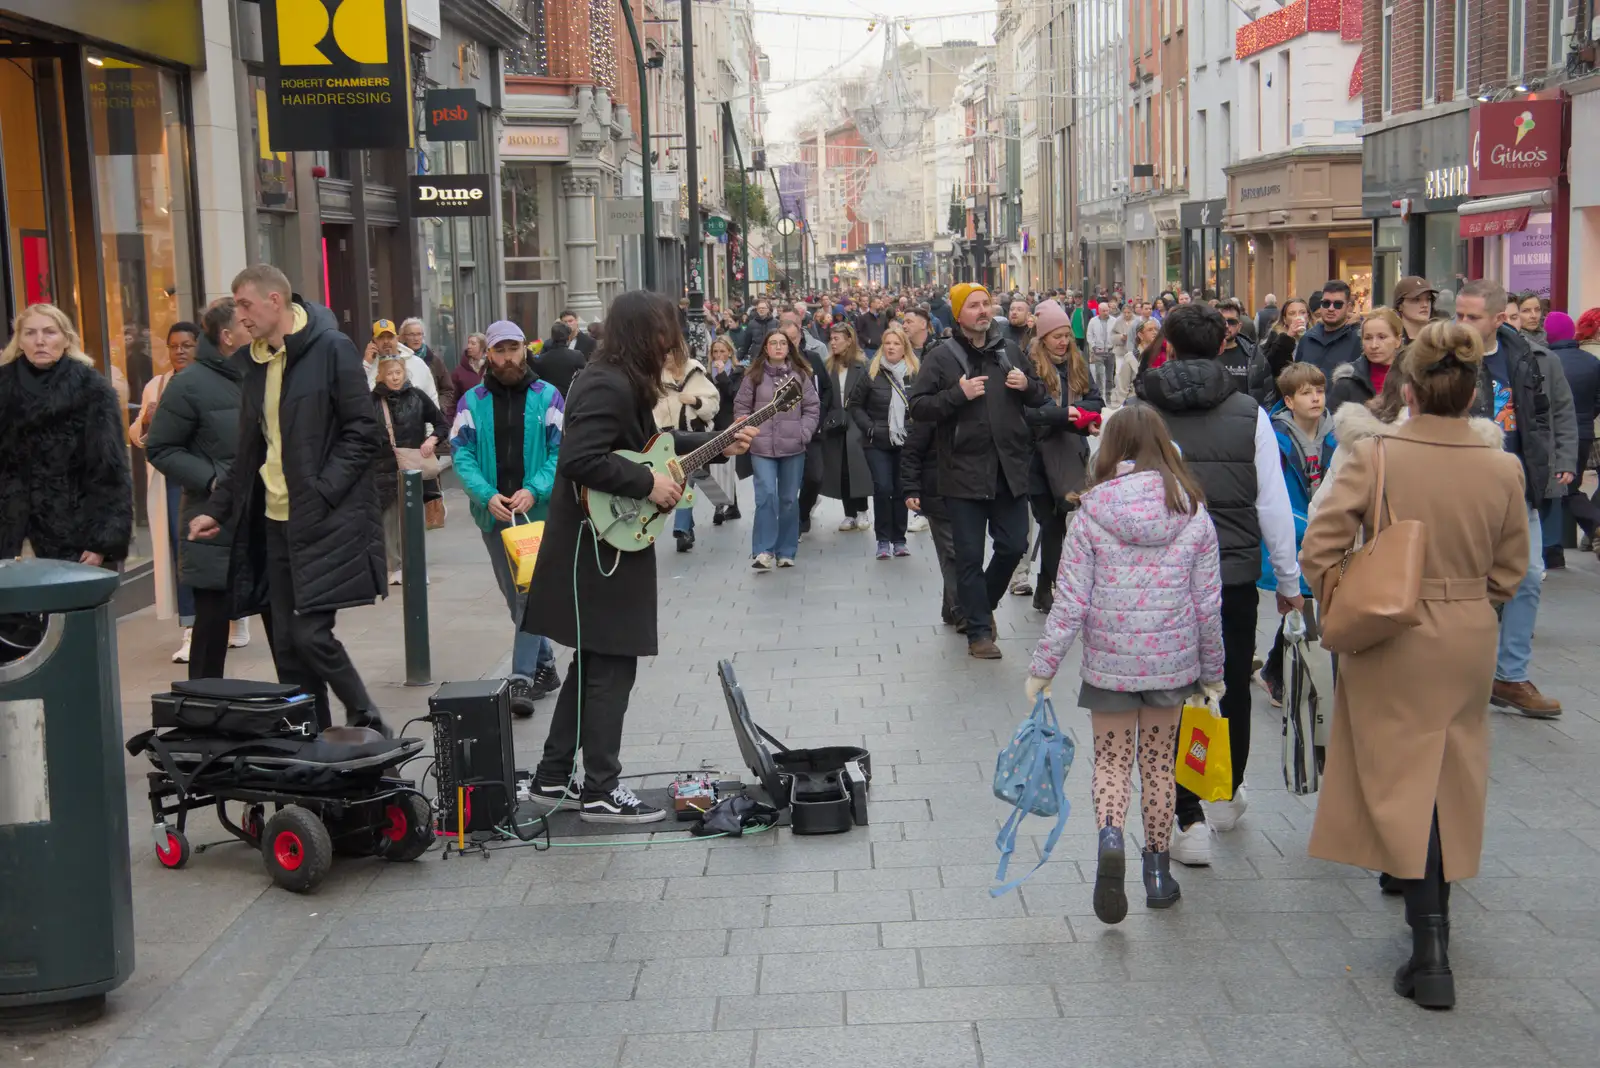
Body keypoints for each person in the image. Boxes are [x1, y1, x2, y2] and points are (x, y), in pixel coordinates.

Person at [1301, 320, 1530, 1011]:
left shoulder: (1375, 455)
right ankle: (1435, 929)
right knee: (1450, 776)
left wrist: (1349, 598)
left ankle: (1428, 945)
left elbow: (1321, 546)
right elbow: (1511, 566)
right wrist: (1468, 599)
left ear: (1407, 387)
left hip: (1392, 631)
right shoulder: (1502, 466)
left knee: (1402, 774)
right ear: (1472, 394)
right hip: (1466, 632)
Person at [1025, 404, 1224, 924]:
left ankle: (1110, 837)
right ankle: (1157, 872)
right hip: (1172, 664)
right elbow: (1207, 603)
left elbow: (1069, 601)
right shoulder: (1193, 510)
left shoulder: (1091, 511)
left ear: (1108, 449)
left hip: (1110, 665)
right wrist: (1213, 671)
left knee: (1112, 763)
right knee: (1158, 766)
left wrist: (1043, 667)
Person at [1134, 302, 1301, 865]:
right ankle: (1222, 791)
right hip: (1230, 571)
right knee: (1228, 682)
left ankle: (1189, 819)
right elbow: (1272, 502)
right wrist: (1287, 577)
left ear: (1170, 348)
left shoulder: (1142, 408)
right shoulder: (1249, 411)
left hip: (1163, 573)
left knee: (1175, 690)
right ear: (1223, 345)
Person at [191, 265, 390, 736]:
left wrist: (322, 492)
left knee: (310, 634)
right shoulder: (256, 362)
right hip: (274, 522)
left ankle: (365, 714)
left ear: (275, 301)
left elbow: (364, 433)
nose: (239, 317)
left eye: (245, 305)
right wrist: (216, 511)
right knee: (286, 647)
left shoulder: (331, 349)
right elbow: (249, 450)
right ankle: (313, 738)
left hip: (325, 518)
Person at [909, 283, 1049, 659]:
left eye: (986, 304)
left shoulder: (1010, 351)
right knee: (968, 556)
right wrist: (959, 394)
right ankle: (979, 634)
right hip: (963, 471)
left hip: (1008, 470)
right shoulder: (941, 357)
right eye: (973, 306)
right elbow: (918, 408)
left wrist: (1027, 386)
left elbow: (1041, 397)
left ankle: (979, 609)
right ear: (958, 314)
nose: (983, 311)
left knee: (1013, 545)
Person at [1455, 280, 1574, 717]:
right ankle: (1463, 673)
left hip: (1519, 484)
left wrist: (1561, 461)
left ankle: (1510, 675)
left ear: (1498, 319)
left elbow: (1555, 412)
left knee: (1527, 577)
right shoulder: (1441, 356)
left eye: (1472, 317)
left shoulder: (1532, 357)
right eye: (1459, 315)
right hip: (1459, 490)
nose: (1462, 324)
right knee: (1466, 584)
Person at [452, 319, 564, 713]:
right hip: (494, 515)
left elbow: (558, 450)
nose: (506, 357)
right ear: (488, 354)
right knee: (514, 599)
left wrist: (535, 489)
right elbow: (461, 454)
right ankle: (546, 663)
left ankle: (520, 679)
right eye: (499, 350)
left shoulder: (548, 396)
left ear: (524, 351)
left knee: (527, 595)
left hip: (536, 514)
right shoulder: (472, 402)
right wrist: (486, 495)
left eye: (513, 349)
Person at [146, 299, 253, 679]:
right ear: (226, 336)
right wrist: (211, 480)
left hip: (265, 517)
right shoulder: (189, 383)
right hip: (213, 522)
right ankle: (203, 715)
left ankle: (304, 717)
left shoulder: (262, 371)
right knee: (210, 628)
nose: (253, 326)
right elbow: (159, 447)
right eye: (245, 323)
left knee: (288, 629)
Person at [0, 303, 133, 568]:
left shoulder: (92, 390)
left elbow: (109, 472)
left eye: (49, 332)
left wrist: (102, 542)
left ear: (66, 338)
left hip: (74, 533)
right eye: (30, 333)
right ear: (19, 340)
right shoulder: (3, 388)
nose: (40, 341)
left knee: (70, 605)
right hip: (8, 532)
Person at [1253, 361, 1334, 706]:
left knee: (1309, 601)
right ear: (1288, 401)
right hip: (1294, 527)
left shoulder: (1335, 434)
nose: (1316, 399)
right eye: (1306, 393)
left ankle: (1285, 668)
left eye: (1319, 391)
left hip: (1326, 528)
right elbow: (1275, 492)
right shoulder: (1276, 438)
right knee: (1301, 600)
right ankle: (1277, 670)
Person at [1022, 299, 1102, 612]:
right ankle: (1049, 588)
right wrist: (1064, 415)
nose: (1064, 341)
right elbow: (1027, 413)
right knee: (1052, 523)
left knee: (1061, 523)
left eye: (1066, 335)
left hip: (1070, 454)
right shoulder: (1029, 366)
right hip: (1036, 458)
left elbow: (1096, 401)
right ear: (1042, 338)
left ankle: (1047, 587)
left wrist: (1081, 416)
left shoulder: (1077, 363)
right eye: (1057, 335)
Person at [130, 322, 200, 660]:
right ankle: (191, 628)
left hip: (205, 479)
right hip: (172, 482)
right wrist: (145, 421)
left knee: (212, 550)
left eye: (187, 345)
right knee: (182, 552)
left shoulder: (213, 381)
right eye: (174, 346)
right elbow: (136, 433)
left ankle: (235, 617)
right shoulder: (155, 386)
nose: (180, 351)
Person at [735, 329, 818, 570]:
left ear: (789, 348)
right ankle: (763, 550)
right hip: (761, 446)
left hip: (794, 446)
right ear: (766, 348)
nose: (779, 347)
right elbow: (741, 406)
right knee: (766, 496)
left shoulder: (801, 375)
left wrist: (804, 433)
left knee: (789, 500)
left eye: (783, 343)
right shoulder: (754, 376)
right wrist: (746, 428)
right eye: (774, 343)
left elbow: (812, 408)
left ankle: (786, 550)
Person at [372, 352, 445, 584]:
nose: (394, 378)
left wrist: (431, 440)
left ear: (405, 373)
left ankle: (413, 565)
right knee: (388, 520)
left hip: (413, 466)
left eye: (398, 372)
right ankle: (392, 568)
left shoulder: (417, 396)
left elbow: (442, 423)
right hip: (382, 468)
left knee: (412, 519)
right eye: (390, 373)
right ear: (381, 376)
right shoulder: (371, 401)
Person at [852, 322, 918, 559]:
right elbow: (855, 405)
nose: (891, 347)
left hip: (905, 441)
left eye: (896, 343)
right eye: (887, 343)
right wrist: (869, 428)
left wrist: (914, 429)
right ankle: (882, 540)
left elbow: (922, 406)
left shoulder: (914, 373)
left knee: (901, 489)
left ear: (904, 347)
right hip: (877, 441)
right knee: (883, 487)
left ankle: (899, 539)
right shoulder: (871, 371)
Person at [654, 340, 721, 552]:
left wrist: (694, 400)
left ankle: (681, 528)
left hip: (692, 435)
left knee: (686, 476)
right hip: (663, 438)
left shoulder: (695, 372)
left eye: (669, 353)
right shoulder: (654, 376)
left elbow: (713, 404)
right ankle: (693, 522)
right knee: (687, 478)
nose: (665, 358)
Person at [819, 323, 874, 532]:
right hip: (834, 423)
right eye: (831, 339)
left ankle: (862, 511)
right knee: (839, 468)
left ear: (849, 340)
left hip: (856, 422)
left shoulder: (862, 365)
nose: (832, 343)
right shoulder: (827, 366)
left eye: (836, 339)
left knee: (857, 468)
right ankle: (848, 514)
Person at [1565, 310, 1600, 558]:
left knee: (1572, 485)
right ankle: (1593, 531)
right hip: (1593, 427)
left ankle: (1592, 533)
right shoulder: (1594, 359)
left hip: (1582, 429)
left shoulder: (1577, 355)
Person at [1327, 306, 1405, 416]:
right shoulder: (1347, 381)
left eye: (1382, 337)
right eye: (1368, 338)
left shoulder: (1413, 379)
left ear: (1398, 340)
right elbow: (1330, 424)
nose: (1374, 345)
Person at [364, 319, 438, 404]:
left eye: (390, 337)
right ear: (373, 341)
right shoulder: (368, 366)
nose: (386, 341)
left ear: (397, 338)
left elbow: (432, 397)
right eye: (381, 337)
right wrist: (367, 364)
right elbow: (359, 395)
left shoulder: (417, 363)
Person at [1295, 280, 1363, 374]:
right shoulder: (1307, 339)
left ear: (1348, 307)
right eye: (1326, 303)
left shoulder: (1359, 339)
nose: (1331, 309)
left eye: (1338, 304)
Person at [399, 317, 455, 416]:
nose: (416, 338)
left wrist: (439, 407)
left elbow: (448, 389)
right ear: (404, 337)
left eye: (419, 334)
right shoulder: (398, 359)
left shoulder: (433, 360)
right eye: (411, 334)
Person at [534, 320, 588, 399]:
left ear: (552, 337)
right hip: (571, 400)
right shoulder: (577, 356)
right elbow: (585, 379)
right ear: (569, 337)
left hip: (549, 401)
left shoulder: (541, 359)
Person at [1113, 317, 1159, 407]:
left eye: (1156, 329)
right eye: (1150, 330)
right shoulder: (1131, 358)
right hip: (1136, 405)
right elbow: (1122, 387)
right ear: (1140, 335)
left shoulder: (1161, 355)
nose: (1155, 332)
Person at [1217, 298, 1257, 392]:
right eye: (1221, 321)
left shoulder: (1253, 354)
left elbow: (1264, 390)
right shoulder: (1204, 354)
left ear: (1239, 326)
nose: (1226, 326)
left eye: (1231, 322)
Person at [1085, 299, 1117, 395]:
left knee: (1109, 374)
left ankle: (1109, 392)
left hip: (1110, 351)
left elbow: (1117, 334)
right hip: (1098, 352)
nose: (1106, 312)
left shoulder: (1114, 321)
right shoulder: (1093, 321)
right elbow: (1089, 335)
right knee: (1099, 373)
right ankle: (1099, 392)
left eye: (1107, 310)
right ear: (1099, 311)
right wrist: (1094, 347)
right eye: (1103, 311)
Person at [1394, 276, 1438, 343]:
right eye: (1416, 300)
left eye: (1428, 299)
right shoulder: (1392, 341)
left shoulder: (1439, 339)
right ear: (1400, 306)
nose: (1425, 305)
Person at [451, 332, 487, 407]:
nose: (469, 346)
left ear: (482, 347)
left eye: (473, 344)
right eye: (468, 343)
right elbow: (453, 400)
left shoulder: (490, 367)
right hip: (467, 413)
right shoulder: (459, 371)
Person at [740, 298, 777, 362]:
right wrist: (739, 358)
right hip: (756, 357)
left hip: (771, 356)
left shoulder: (776, 323)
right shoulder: (751, 324)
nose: (761, 310)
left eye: (763, 308)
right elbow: (746, 344)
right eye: (759, 308)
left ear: (768, 310)